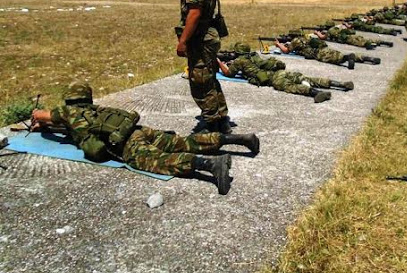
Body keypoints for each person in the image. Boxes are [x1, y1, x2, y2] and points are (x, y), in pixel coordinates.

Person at [30, 82, 260, 195]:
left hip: (126, 143)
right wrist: (47, 124)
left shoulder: (68, 112)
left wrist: (37, 118)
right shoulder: (97, 109)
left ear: (68, 99)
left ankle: (210, 164)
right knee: (182, 141)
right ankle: (240, 139)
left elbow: (43, 115)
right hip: (139, 130)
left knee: (158, 161)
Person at [171, 0, 231, 134]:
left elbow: (194, 12)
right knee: (209, 77)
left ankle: (213, 124)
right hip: (208, 35)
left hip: (201, 37)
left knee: (200, 81)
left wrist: (183, 41)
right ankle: (221, 119)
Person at [217, 49, 354, 103]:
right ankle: (341, 84)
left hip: (274, 79)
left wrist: (219, 62)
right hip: (281, 72)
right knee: (308, 79)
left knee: (292, 87)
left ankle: (317, 93)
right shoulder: (254, 56)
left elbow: (228, 73)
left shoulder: (240, 61)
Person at [275, 33, 380, 69]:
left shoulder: (295, 41)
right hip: (323, 48)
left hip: (318, 53)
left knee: (336, 59)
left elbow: (286, 51)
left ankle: (348, 58)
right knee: (339, 54)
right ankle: (368, 58)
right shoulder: (305, 37)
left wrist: (278, 44)